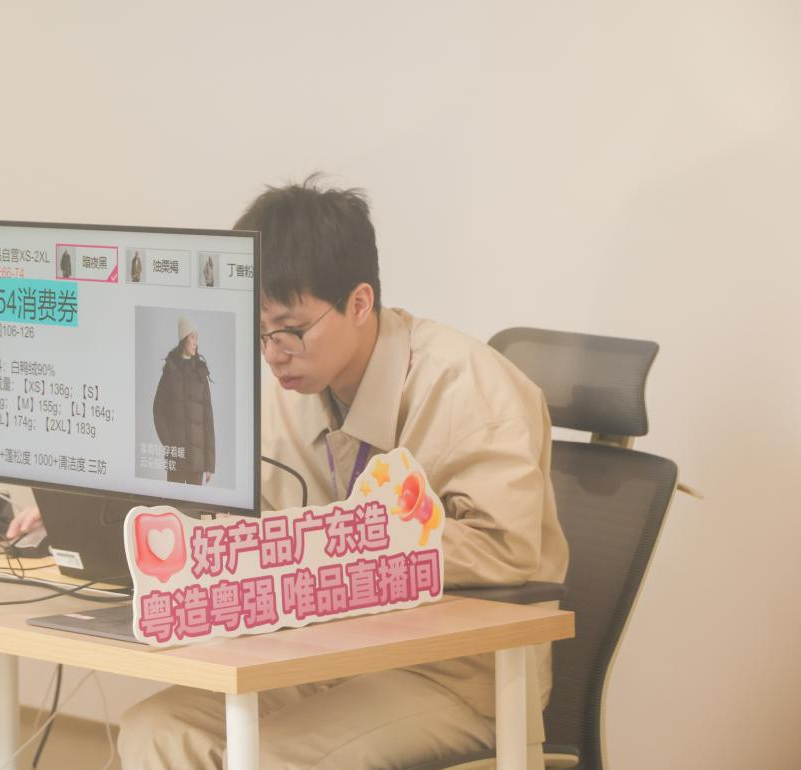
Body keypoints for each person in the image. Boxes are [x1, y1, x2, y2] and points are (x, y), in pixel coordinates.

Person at [115, 177, 570, 769]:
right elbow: (242, 510)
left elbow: (505, 550)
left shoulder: (471, 389)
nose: (272, 353)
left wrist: (348, 539)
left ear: (359, 303)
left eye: (290, 330)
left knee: (269, 759)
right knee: (154, 730)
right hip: (324, 655)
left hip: (455, 678)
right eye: (258, 332)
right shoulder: (287, 392)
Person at [151, 316, 215, 485]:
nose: (195, 343)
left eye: (196, 338)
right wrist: (169, 442)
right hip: (176, 460)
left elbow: (208, 421)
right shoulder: (170, 372)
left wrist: (209, 464)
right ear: (183, 339)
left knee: (194, 503)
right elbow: (158, 409)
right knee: (173, 501)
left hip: (197, 462)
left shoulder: (201, 373)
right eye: (192, 337)